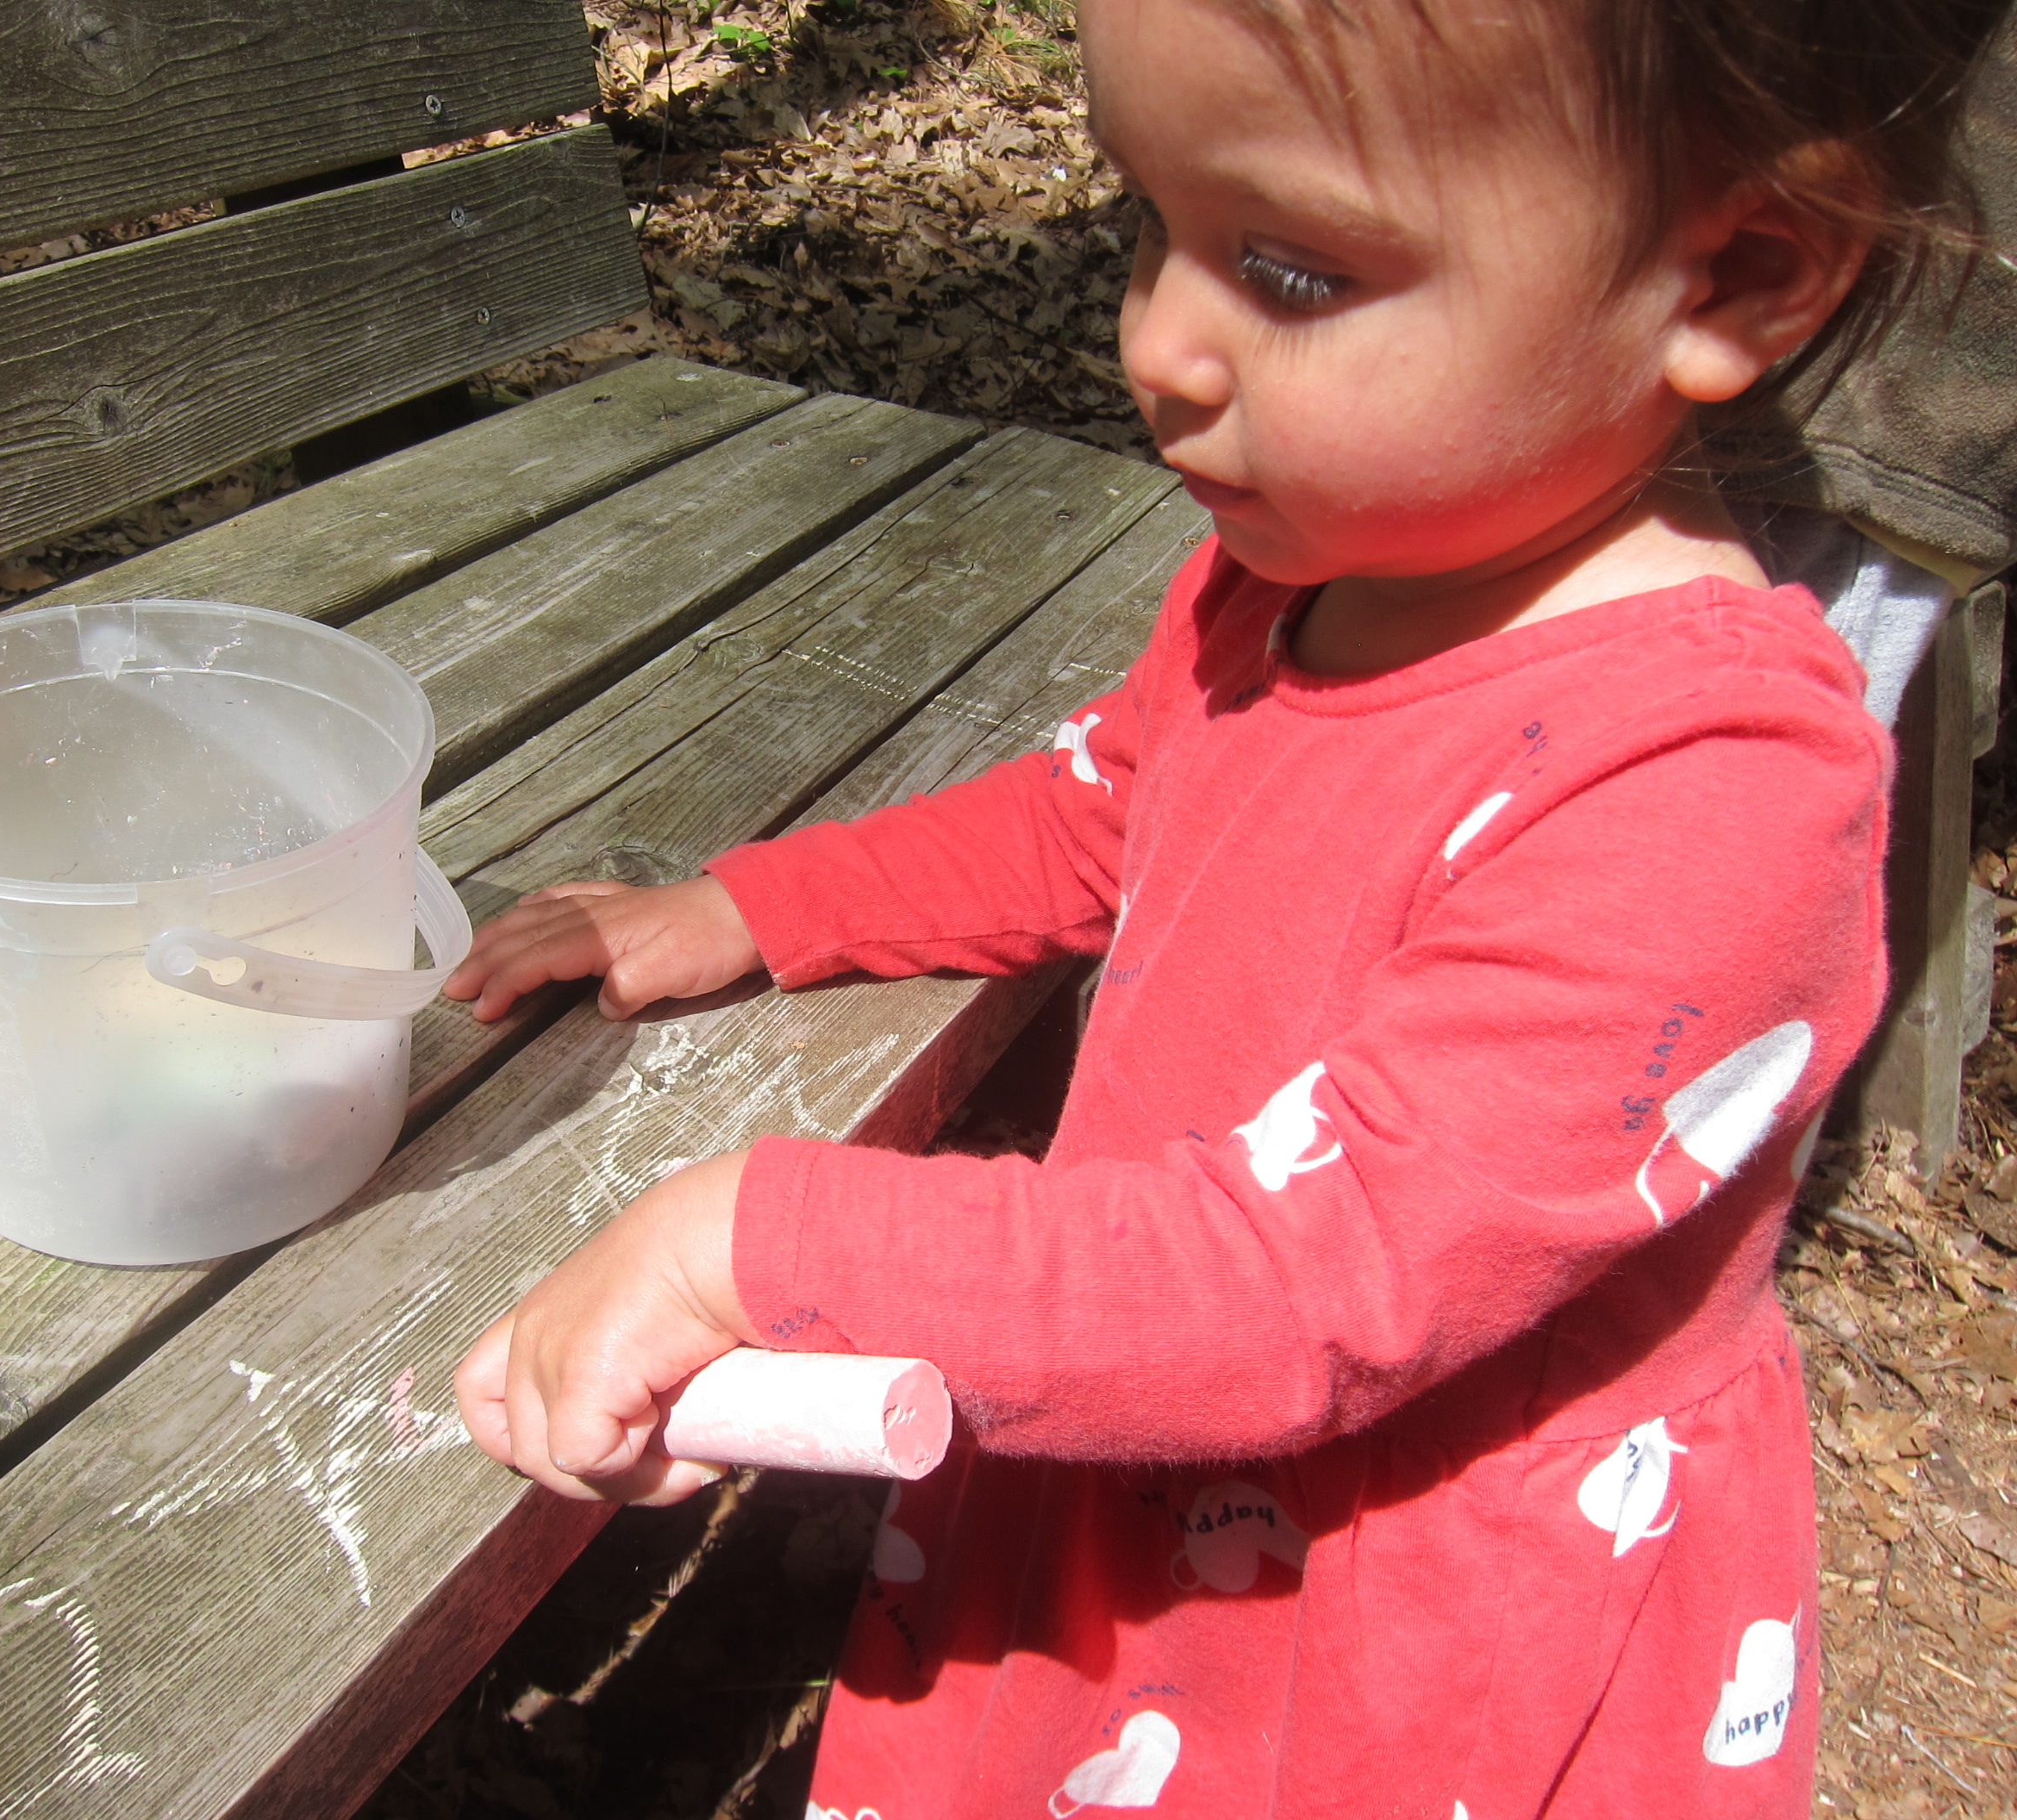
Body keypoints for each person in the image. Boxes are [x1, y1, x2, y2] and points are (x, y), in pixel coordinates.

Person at [443, 1, 2002, 1811]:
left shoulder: (1710, 789)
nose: (1160, 345)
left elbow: (1310, 1285)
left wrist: (755, 1242)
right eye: (1144, 223)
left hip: (1386, 1628)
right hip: (1154, 1466)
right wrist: (749, 904)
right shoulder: (1299, 580)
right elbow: (1102, 815)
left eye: (1289, 268)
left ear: (1731, 275)